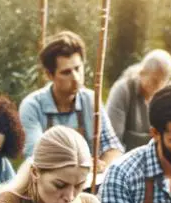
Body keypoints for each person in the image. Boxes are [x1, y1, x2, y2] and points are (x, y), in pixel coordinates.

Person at [18, 31, 123, 164]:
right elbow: (36, 155)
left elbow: (112, 147)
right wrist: (85, 164)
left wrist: (105, 165)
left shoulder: (91, 100)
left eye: (78, 68)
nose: (76, 78)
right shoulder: (32, 106)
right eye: (66, 72)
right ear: (49, 75)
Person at [107, 49, 171, 152]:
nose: (160, 86)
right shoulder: (123, 91)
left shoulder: (168, 96)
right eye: (155, 81)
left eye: (164, 81)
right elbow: (113, 140)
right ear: (142, 73)